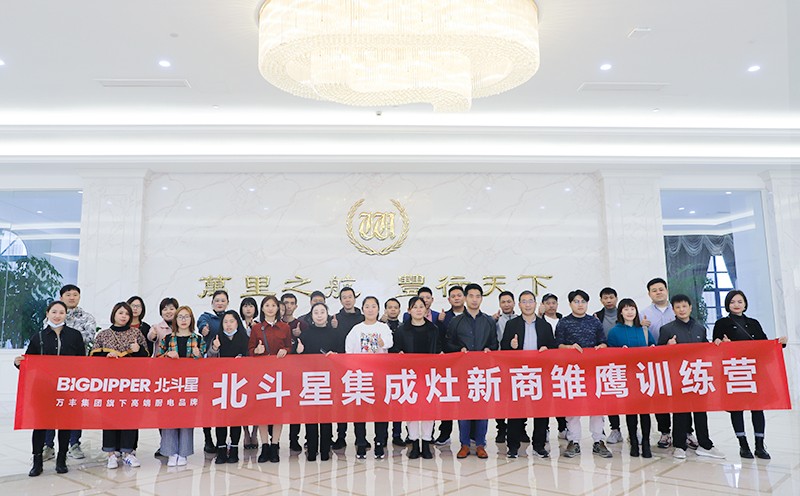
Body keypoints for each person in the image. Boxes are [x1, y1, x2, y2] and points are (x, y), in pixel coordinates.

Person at [713, 290, 788, 459]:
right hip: (734, 371)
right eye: (732, 302)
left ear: (745, 304)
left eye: (740, 301)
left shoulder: (754, 323)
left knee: (757, 407)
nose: (736, 305)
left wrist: (779, 344)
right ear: (727, 305)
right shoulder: (721, 323)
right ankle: (743, 445)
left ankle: (760, 445)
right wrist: (722, 344)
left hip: (754, 371)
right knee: (736, 408)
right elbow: (715, 346)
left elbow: (764, 345)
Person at [15, 301, 85, 476]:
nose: (57, 315)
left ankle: (61, 460)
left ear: (66, 314)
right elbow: (29, 362)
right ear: (47, 314)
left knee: (65, 424)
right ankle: (37, 461)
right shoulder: (38, 336)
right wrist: (18, 363)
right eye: (54, 312)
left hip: (66, 388)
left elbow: (82, 362)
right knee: (40, 425)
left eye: (61, 312)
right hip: (42, 388)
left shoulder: (75, 335)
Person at [659, 294, 725, 460]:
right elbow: (658, 355)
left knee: (701, 411)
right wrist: (667, 346)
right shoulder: (667, 329)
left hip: (698, 375)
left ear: (690, 308)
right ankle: (679, 445)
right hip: (678, 376)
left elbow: (706, 351)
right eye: (678, 307)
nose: (681, 310)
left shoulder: (700, 328)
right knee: (680, 412)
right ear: (673, 310)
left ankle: (705, 444)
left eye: (684, 306)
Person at [90, 301, 149, 469]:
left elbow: (146, 359)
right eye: (121, 313)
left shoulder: (136, 333)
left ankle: (128, 452)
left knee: (130, 417)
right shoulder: (103, 335)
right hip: (109, 384)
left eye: (127, 314)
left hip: (131, 384)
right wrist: (106, 357)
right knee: (110, 417)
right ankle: (111, 454)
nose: (124, 316)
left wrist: (138, 350)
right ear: (114, 314)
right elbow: (93, 358)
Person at [555, 289, 612, 458]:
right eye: (576, 301)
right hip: (571, 372)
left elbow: (603, 342)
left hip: (593, 371)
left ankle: (598, 441)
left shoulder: (594, 322)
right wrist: (569, 348)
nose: (580, 305)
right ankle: (574, 441)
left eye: (583, 302)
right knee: (573, 407)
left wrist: (601, 347)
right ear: (570, 304)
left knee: (597, 406)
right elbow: (558, 345)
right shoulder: (564, 322)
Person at [42, 284, 96, 461]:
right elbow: (46, 338)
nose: (72, 297)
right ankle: (48, 445)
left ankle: (74, 443)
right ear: (61, 297)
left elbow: (89, 337)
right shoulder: (53, 315)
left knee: (74, 407)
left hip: (76, 371)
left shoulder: (87, 317)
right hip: (52, 372)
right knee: (51, 407)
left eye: (75, 295)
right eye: (68, 294)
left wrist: (67, 334)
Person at [500, 291, 556, 459]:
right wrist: (511, 345)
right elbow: (503, 348)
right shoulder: (512, 325)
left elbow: (553, 347)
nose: (527, 304)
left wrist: (547, 349)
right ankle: (513, 447)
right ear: (519, 305)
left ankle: (539, 446)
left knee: (541, 412)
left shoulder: (545, 325)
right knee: (516, 411)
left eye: (530, 301)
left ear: (535, 303)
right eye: (524, 301)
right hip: (519, 373)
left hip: (540, 374)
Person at [445, 283, 498, 459]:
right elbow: (448, 344)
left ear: (481, 299)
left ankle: (480, 444)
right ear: (466, 298)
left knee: (482, 410)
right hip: (463, 372)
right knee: (464, 410)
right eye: (471, 296)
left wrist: (490, 349)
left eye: (478, 296)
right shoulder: (456, 321)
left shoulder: (489, 321)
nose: (474, 300)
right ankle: (465, 444)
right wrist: (459, 349)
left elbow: (494, 343)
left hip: (483, 372)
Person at [345, 296, 393, 459]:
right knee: (360, 411)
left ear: (378, 309)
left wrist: (382, 342)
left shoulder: (383, 327)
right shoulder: (356, 329)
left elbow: (390, 343)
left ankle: (379, 442)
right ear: (363, 309)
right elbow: (349, 351)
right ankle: (361, 443)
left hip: (379, 375)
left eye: (374, 306)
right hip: (361, 376)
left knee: (381, 410)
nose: (370, 309)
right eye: (367, 306)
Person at [607, 298, 656, 458]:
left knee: (645, 412)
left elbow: (653, 347)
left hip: (643, 376)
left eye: (632, 309)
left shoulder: (643, 329)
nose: (630, 312)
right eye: (626, 309)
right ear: (621, 312)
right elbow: (609, 355)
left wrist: (653, 348)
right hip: (626, 376)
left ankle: (646, 443)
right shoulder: (614, 332)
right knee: (631, 412)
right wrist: (619, 353)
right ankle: (634, 442)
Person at [156, 305, 204, 467]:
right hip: (171, 385)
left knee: (186, 418)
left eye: (187, 317)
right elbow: (157, 359)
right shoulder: (167, 339)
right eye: (180, 317)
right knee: (169, 418)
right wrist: (167, 355)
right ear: (175, 320)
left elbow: (206, 362)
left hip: (190, 385)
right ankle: (171, 452)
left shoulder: (198, 339)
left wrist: (199, 355)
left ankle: (183, 452)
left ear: (191, 319)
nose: (183, 320)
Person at [394, 296, 441, 459]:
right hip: (409, 375)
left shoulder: (433, 329)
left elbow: (438, 349)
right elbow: (396, 349)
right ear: (409, 311)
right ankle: (414, 443)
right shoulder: (402, 330)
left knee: (428, 409)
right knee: (412, 409)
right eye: (415, 307)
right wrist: (399, 353)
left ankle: (426, 442)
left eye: (421, 306)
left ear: (426, 310)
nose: (419, 310)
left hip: (429, 375)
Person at [640, 277, 683, 450]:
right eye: (654, 290)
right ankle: (665, 432)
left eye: (661, 289)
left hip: (679, 361)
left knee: (682, 396)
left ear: (667, 290)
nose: (658, 292)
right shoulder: (644, 314)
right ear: (649, 294)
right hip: (656, 362)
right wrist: (641, 326)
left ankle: (686, 431)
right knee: (660, 397)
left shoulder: (678, 309)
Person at [249, 295, 293, 462]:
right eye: (267, 305)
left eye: (273, 305)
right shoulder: (256, 328)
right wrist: (257, 351)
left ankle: (275, 445)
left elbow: (289, 346)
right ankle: (265, 446)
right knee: (262, 411)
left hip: (280, 375)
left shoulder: (285, 327)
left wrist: (286, 351)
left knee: (278, 411)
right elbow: (249, 350)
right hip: (262, 376)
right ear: (262, 308)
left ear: (278, 308)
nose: (270, 308)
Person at [295, 303, 338, 461]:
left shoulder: (335, 333)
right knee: (311, 416)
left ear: (327, 314)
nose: (319, 315)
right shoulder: (305, 334)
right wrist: (298, 352)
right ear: (311, 316)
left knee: (326, 416)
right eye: (316, 312)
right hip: (310, 380)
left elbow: (342, 354)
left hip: (328, 380)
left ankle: (325, 450)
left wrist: (336, 355)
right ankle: (311, 450)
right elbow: (297, 358)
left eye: (322, 312)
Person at [207, 310, 250, 464]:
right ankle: (221, 449)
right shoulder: (217, 338)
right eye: (225, 322)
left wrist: (244, 359)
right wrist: (215, 348)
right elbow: (209, 358)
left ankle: (234, 449)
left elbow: (251, 359)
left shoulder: (245, 338)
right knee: (221, 418)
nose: (228, 325)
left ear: (237, 322)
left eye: (232, 321)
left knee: (236, 418)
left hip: (239, 384)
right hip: (221, 384)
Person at [197, 290, 231, 453]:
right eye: (217, 300)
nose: (220, 303)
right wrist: (203, 329)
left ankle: (222, 441)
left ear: (227, 303)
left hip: (227, 367)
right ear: (212, 303)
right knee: (207, 406)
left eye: (223, 300)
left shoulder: (231, 318)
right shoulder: (207, 317)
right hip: (209, 367)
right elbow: (201, 325)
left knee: (223, 405)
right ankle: (208, 438)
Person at [331, 287, 364, 451]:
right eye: (344, 297)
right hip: (341, 366)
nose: (347, 300)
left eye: (350, 296)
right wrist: (333, 328)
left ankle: (361, 438)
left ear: (354, 298)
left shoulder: (362, 317)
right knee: (342, 402)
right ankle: (341, 437)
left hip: (360, 366)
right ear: (340, 300)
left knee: (359, 401)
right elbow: (333, 341)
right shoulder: (335, 319)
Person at [146, 297, 179, 458]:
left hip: (180, 376)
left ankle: (178, 444)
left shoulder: (184, 325)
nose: (168, 311)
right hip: (162, 376)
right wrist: (152, 334)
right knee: (162, 411)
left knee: (178, 410)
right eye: (165, 309)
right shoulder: (157, 328)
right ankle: (164, 444)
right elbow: (150, 337)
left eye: (171, 308)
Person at [433, 285, 465, 446]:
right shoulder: (444, 317)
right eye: (453, 296)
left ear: (464, 297)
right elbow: (441, 339)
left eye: (459, 295)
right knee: (448, 399)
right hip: (449, 364)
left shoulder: (471, 316)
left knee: (467, 399)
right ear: (449, 299)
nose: (457, 298)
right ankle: (445, 434)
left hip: (468, 365)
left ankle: (470, 436)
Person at [593, 287, 623, 445]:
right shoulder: (597, 316)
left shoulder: (625, 313)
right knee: (610, 396)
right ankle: (615, 429)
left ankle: (634, 430)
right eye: (605, 298)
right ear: (601, 300)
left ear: (616, 298)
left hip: (625, 360)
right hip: (606, 362)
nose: (609, 300)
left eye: (611, 297)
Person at [280, 292, 307, 454]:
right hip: (277, 372)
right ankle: (273, 440)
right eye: (285, 303)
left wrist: (299, 336)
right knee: (275, 405)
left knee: (295, 407)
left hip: (296, 372)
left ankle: (294, 439)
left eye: (291, 303)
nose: (288, 306)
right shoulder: (275, 324)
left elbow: (307, 347)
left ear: (296, 306)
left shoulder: (301, 325)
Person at [537, 293, 567, 439]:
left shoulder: (564, 321)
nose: (551, 306)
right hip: (544, 366)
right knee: (546, 399)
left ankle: (563, 427)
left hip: (561, 366)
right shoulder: (539, 322)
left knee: (560, 397)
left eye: (553, 303)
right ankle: (546, 430)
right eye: (548, 303)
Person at [493, 290, 517, 443]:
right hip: (499, 363)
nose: (506, 304)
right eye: (503, 302)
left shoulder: (520, 319)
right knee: (500, 398)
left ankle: (519, 429)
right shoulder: (495, 321)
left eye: (509, 301)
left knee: (516, 396)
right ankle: (501, 428)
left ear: (514, 303)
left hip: (516, 364)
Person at [237, 297, 259, 450]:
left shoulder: (260, 325)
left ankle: (255, 432)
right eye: (245, 306)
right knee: (243, 400)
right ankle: (245, 432)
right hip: (241, 367)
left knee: (256, 401)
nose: (248, 309)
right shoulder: (237, 325)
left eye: (251, 306)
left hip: (257, 367)